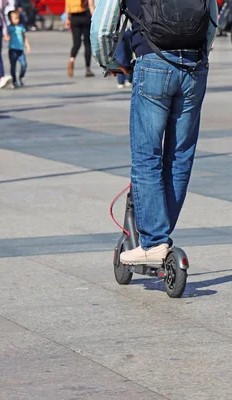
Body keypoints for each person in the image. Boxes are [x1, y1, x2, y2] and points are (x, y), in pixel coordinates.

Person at [92, 0, 218, 264]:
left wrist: (109, 62)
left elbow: (103, 29)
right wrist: (199, 55)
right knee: (180, 156)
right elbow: (212, 18)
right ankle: (160, 236)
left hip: (153, 63)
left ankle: (154, 241)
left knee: (146, 157)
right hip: (195, 66)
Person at [65, 0, 95, 78]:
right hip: (85, 16)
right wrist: (94, 18)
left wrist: (67, 19)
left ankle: (71, 60)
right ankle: (88, 68)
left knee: (76, 43)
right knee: (87, 43)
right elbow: (91, 4)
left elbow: (67, 6)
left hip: (74, 18)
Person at [7, 10, 30, 88]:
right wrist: (6, 37)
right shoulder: (9, 28)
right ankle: (14, 81)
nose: (17, 20)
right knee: (13, 66)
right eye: (15, 18)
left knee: (24, 64)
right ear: (10, 19)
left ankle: (21, 76)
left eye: (18, 18)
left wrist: (27, 46)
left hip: (20, 49)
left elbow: (24, 36)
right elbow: (6, 36)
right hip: (12, 49)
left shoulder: (21, 27)